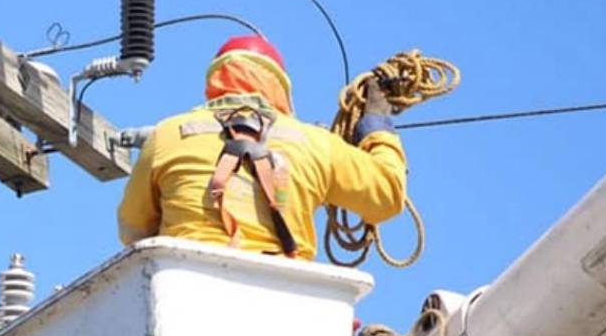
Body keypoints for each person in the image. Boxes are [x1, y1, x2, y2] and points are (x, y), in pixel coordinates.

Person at [118, 35, 406, 259]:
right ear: (281, 87)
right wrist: (376, 124)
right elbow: (388, 194)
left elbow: (133, 228)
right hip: (286, 297)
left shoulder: (168, 134)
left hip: (185, 285)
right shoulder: (316, 144)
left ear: (215, 80)